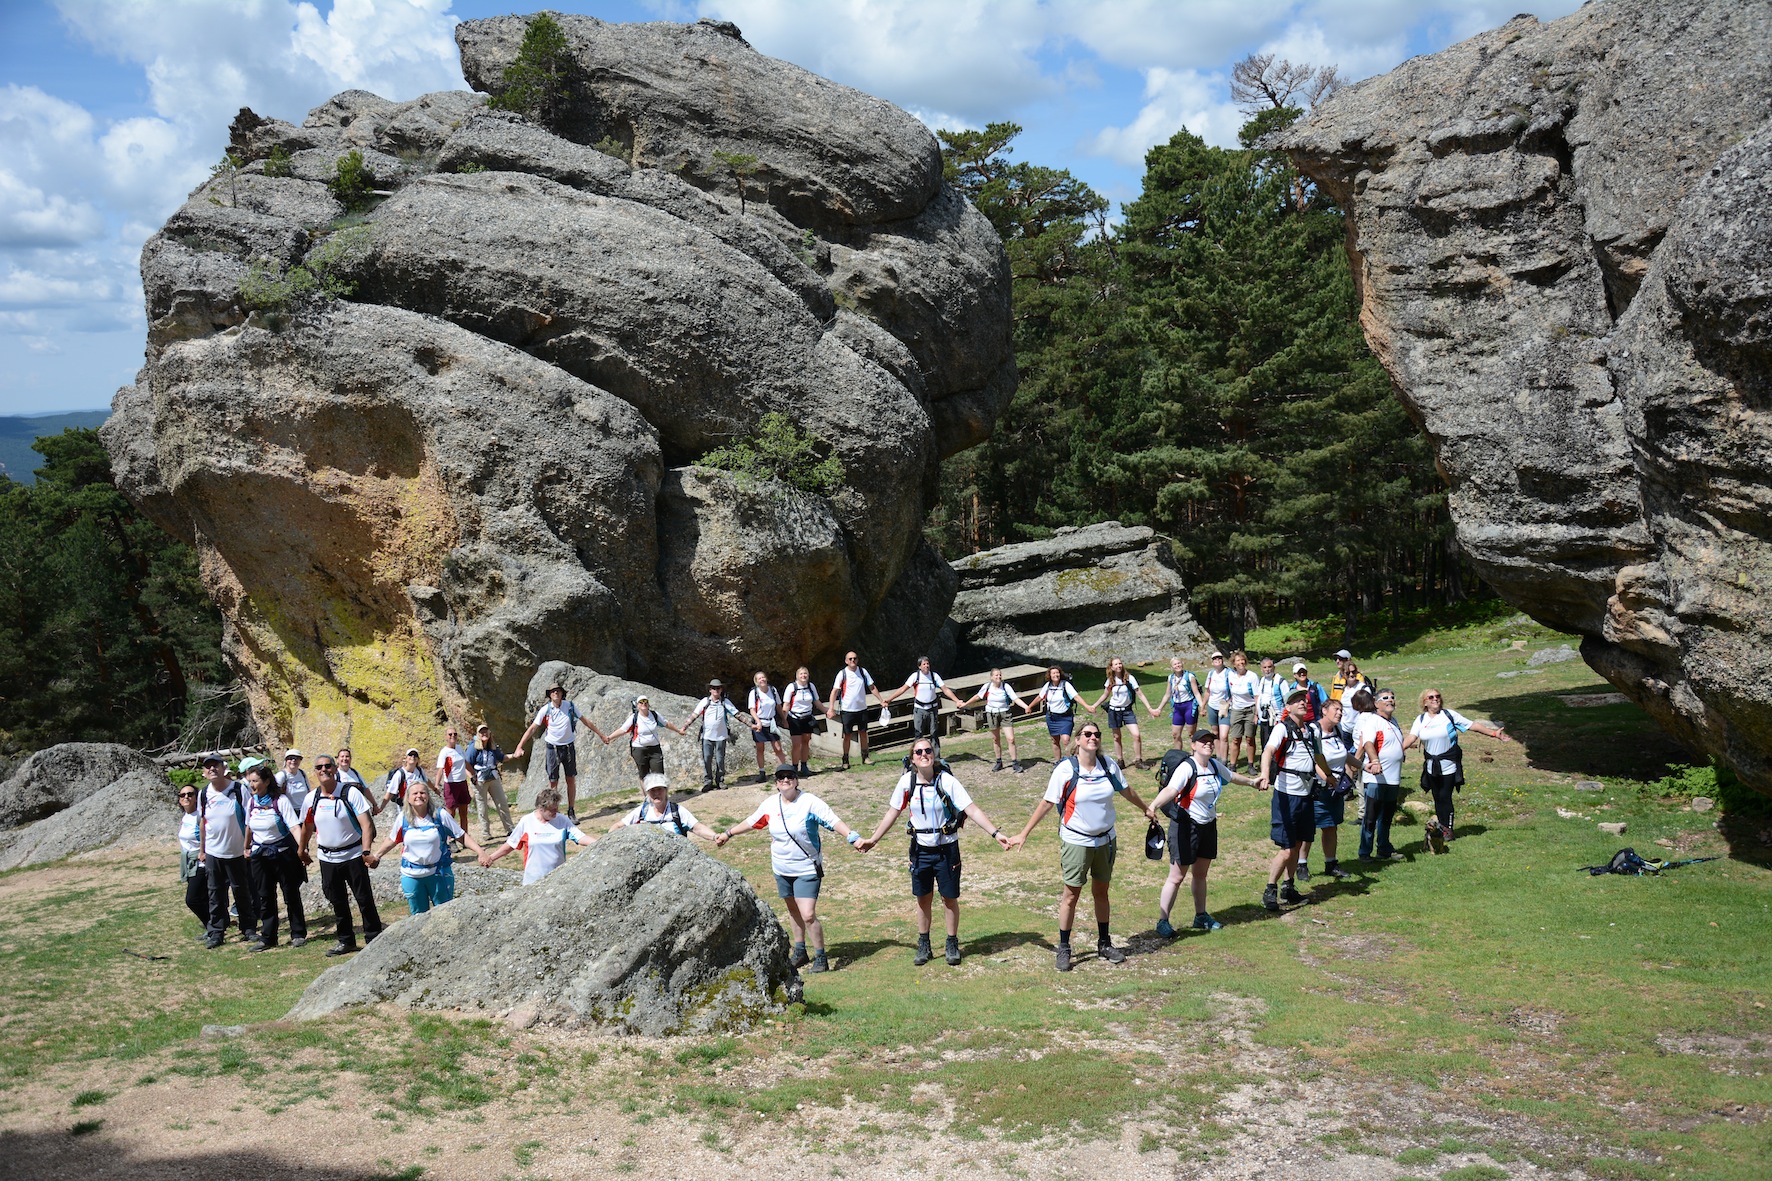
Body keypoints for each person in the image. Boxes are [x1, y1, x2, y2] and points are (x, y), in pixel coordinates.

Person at [1006, 722, 1153, 972]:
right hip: (1077, 840)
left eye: (1096, 734)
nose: (1093, 738)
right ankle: (1064, 948)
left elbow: (1126, 790)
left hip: (1106, 840)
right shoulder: (1065, 769)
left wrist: (1146, 809)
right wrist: (1024, 833)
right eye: (1087, 734)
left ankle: (1104, 943)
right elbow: (1046, 803)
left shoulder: (1108, 766)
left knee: (1101, 892)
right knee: (1071, 895)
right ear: (1077, 740)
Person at [857, 740, 1011, 966]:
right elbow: (892, 813)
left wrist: (996, 834)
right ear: (912, 759)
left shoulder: (947, 781)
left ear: (934, 755)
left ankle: (951, 942)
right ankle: (924, 944)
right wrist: (873, 840)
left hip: (946, 848)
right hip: (920, 849)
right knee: (923, 898)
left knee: (949, 898)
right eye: (918, 752)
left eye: (928, 750)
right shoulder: (906, 782)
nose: (924, 754)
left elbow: (972, 809)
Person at [717, 764, 865, 974]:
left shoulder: (810, 802)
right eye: (780, 778)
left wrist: (853, 838)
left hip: (806, 868)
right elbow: (752, 822)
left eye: (789, 777)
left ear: (796, 780)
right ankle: (800, 951)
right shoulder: (770, 804)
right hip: (781, 868)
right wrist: (728, 833)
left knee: (808, 914)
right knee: (793, 910)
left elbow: (832, 820)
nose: (785, 780)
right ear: (776, 783)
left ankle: (821, 957)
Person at [1146, 729, 1258, 935]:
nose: (1208, 744)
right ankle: (1163, 921)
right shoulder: (1187, 768)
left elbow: (1231, 776)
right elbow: (1171, 790)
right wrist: (1153, 806)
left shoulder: (1214, 765)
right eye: (1203, 741)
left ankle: (1200, 916)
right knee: (1177, 876)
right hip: (1185, 827)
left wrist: (1252, 782)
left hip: (1208, 825)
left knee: (1200, 874)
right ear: (1193, 745)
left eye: (1210, 741)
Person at [1258, 686, 1336, 911]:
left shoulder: (1312, 730)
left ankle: (1288, 887)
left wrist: (1329, 777)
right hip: (1286, 796)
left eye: (1304, 700)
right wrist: (1264, 774)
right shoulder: (1282, 729)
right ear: (1288, 707)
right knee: (1287, 848)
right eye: (1296, 701)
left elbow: (1318, 757)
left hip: (1306, 794)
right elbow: (1268, 752)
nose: (1302, 703)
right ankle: (1270, 889)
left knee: (1300, 843)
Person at [299, 754, 382, 956]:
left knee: (364, 898)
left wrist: (366, 851)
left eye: (328, 766)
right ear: (315, 772)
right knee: (337, 901)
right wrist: (301, 850)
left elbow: (366, 824)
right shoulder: (312, 798)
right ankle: (346, 941)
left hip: (353, 855)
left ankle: (374, 938)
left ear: (335, 769)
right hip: (328, 859)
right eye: (319, 767)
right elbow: (307, 826)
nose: (324, 770)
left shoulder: (350, 793)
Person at [1405, 689, 1510, 848]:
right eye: (1431, 697)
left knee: (1445, 796)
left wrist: (1494, 733)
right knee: (1437, 797)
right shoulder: (1420, 719)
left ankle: (1448, 829)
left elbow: (1472, 725)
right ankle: (1441, 826)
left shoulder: (1449, 715)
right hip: (1431, 766)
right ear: (1424, 702)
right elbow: (1412, 737)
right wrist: (1396, 750)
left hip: (1449, 765)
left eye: (1438, 696)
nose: (1435, 699)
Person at [371, 782, 483, 914]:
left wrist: (480, 852)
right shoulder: (402, 818)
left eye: (423, 793)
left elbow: (461, 836)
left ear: (428, 796)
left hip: (439, 873)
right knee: (417, 917)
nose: (419, 796)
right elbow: (392, 839)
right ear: (408, 798)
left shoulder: (441, 815)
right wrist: (376, 855)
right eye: (415, 793)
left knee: (444, 915)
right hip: (411, 875)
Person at [512, 684, 609, 819]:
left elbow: (585, 721)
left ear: (562, 693)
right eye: (552, 691)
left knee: (570, 779)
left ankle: (571, 811)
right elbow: (532, 728)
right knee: (553, 781)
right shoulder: (546, 710)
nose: (555, 693)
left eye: (558, 691)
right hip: (553, 748)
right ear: (550, 695)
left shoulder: (570, 706)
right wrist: (519, 746)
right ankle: (554, 811)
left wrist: (601, 735)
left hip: (568, 747)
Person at [244, 763, 308, 951]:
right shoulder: (252, 802)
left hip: (282, 855)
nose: (252, 785)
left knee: (290, 894)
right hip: (259, 856)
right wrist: (246, 847)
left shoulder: (280, 801)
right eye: (250, 782)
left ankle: (298, 933)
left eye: (255, 781)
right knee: (265, 896)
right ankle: (268, 937)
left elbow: (294, 827)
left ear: (266, 781)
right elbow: (249, 826)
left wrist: (302, 849)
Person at [197, 754, 257, 949]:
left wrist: (248, 845)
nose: (212, 770)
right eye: (208, 767)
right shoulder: (203, 794)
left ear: (224, 769)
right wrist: (202, 850)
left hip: (237, 852)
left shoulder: (239, 790)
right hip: (214, 852)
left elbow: (250, 818)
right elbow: (203, 823)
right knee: (215, 893)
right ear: (204, 773)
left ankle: (248, 928)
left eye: (215, 766)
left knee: (242, 891)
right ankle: (216, 932)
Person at [1296, 698, 1356, 882]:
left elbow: (1345, 756)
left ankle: (1331, 863)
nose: (1339, 713)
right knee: (1309, 828)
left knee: (1331, 826)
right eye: (1336, 709)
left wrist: (1363, 766)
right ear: (1324, 710)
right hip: (1317, 788)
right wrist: (1329, 779)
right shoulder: (1313, 731)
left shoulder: (1338, 730)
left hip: (1335, 789)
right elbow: (1313, 760)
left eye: (1341, 710)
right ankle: (1301, 864)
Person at [481, 788, 594, 884]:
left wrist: (604, 842)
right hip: (532, 881)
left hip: (557, 879)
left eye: (557, 808)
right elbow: (511, 845)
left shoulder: (562, 820)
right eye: (552, 810)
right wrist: (491, 858)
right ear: (541, 808)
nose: (556, 812)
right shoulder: (526, 821)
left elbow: (581, 838)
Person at [1353, 688, 1406, 861]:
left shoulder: (1394, 721)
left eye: (1392, 697)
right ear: (1376, 703)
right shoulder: (1372, 721)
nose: (1390, 700)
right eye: (1385, 698)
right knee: (1371, 816)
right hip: (1376, 778)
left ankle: (1384, 848)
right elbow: (1368, 743)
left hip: (1393, 777)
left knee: (1387, 816)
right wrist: (1375, 761)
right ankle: (1364, 852)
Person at [883, 656, 966, 757]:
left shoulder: (934, 676)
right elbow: (902, 689)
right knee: (918, 734)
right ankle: (917, 757)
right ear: (919, 666)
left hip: (932, 708)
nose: (926, 666)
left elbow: (945, 689)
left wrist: (957, 700)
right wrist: (889, 700)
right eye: (924, 664)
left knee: (934, 733)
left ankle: (936, 758)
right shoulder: (915, 676)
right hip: (919, 709)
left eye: (928, 664)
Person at [613, 772, 722, 840]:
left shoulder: (677, 811)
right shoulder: (642, 811)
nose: (656, 793)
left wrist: (714, 836)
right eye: (652, 790)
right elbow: (618, 826)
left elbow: (697, 828)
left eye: (659, 789)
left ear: (666, 790)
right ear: (647, 792)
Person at [1090, 656, 1156, 769]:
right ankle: (1120, 761)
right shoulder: (1111, 680)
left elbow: (1139, 693)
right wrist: (1094, 705)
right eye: (1115, 664)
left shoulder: (1129, 678)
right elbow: (1105, 695)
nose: (1118, 666)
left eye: (1120, 663)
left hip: (1127, 711)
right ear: (1112, 667)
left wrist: (1149, 708)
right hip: (1114, 711)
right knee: (1116, 737)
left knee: (1136, 735)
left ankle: (1138, 760)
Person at [606, 694, 687, 784]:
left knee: (659, 774)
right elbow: (623, 730)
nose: (643, 704)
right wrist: (609, 737)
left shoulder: (654, 715)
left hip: (655, 749)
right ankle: (647, 797)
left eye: (646, 702)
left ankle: (659, 796)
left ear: (648, 704)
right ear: (637, 705)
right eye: (641, 702)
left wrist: (678, 730)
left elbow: (666, 723)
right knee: (644, 775)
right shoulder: (634, 718)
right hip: (639, 749)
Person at [960, 668, 1029, 772]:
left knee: (1011, 739)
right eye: (996, 675)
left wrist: (1026, 706)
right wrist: (965, 704)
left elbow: (1015, 698)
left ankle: (1015, 763)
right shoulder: (987, 687)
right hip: (991, 714)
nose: (999, 677)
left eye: (1000, 675)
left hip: (1005, 713)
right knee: (996, 739)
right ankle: (998, 761)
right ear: (991, 677)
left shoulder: (1006, 686)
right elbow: (978, 696)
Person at [690, 679, 750, 791]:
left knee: (720, 760)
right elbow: (694, 715)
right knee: (707, 759)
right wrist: (684, 727)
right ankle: (708, 781)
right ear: (710, 690)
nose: (716, 690)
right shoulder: (705, 701)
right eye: (713, 688)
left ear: (721, 689)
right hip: (707, 736)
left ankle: (720, 781)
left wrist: (751, 725)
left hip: (721, 737)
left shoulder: (725, 702)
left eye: (718, 688)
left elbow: (737, 714)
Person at [825, 652, 880, 768]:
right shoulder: (842, 674)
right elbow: (834, 691)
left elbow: (872, 687)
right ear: (846, 661)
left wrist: (881, 700)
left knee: (863, 733)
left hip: (862, 709)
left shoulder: (863, 672)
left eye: (854, 658)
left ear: (857, 660)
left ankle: (865, 757)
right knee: (847, 735)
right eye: (850, 659)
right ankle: (845, 760)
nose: (852, 660)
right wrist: (831, 708)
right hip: (847, 710)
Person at [468, 724, 515, 842]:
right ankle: (485, 832)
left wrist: (514, 755)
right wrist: (472, 777)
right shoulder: (473, 748)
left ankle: (509, 828)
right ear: (478, 734)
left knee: (502, 802)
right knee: (482, 806)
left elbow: (502, 758)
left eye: (486, 732)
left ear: (489, 733)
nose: (484, 734)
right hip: (480, 779)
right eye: (481, 732)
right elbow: (467, 763)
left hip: (493, 777)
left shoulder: (493, 747)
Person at [1029, 665, 1084, 761]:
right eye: (1053, 673)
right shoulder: (1047, 686)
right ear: (1049, 675)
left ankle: (1071, 762)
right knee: (1055, 740)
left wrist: (1087, 706)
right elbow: (1039, 697)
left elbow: (1076, 696)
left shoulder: (1065, 685)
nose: (1056, 675)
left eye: (1057, 673)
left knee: (1066, 740)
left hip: (1065, 717)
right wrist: (1030, 706)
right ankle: (1058, 762)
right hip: (1052, 717)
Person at [175, 779, 207, 932]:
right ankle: (213, 928)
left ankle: (214, 926)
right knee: (203, 898)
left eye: (190, 794)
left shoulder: (200, 816)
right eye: (182, 795)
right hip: (190, 863)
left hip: (201, 863)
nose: (186, 797)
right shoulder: (185, 817)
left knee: (192, 899)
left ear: (196, 797)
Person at [1152, 657, 1204, 751]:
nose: (1177, 665)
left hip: (1189, 706)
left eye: (1179, 663)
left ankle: (1195, 756)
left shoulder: (1189, 676)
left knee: (1191, 734)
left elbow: (1196, 693)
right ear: (1172, 667)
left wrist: (1202, 707)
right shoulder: (1171, 678)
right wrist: (1159, 708)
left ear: (1182, 663)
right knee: (1175, 734)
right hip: (1177, 708)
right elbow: (1167, 694)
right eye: (1175, 664)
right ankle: (1178, 756)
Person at [1224, 651, 1264, 771]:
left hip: (1251, 709)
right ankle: (1232, 765)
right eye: (1238, 661)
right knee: (1236, 739)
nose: (1241, 662)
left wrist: (1257, 714)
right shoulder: (1230, 675)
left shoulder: (1252, 676)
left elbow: (1257, 697)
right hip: (1236, 710)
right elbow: (1228, 693)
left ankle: (1251, 765)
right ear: (1233, 663)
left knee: (1249, 738)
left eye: (1242, 660)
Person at [435, 726, 474, 845]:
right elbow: (441, 769)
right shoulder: (444, 752)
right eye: (450, 734)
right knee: (450, 813)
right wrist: (436, 784)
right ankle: (451, 839)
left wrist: (473, 774)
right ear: (446, 737)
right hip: (451, 784)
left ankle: (464, 839)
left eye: (455, 734)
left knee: (464, 812)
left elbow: (465, 763)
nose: (453, 736)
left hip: (462, 783)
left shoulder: (459, 748)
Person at [748, 672, 788, 784]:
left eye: (763, 677)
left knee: (778, 748)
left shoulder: (773, 690)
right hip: (759, 722)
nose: (762, 680)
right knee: (760, 749)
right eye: (759, 678)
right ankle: (762, 772)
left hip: (771, 722)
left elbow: (778, 705)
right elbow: (752, 709)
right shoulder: (754, 692)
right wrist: (758, 721)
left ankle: (781, 772)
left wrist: (784, 719)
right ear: (756, 681)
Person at [781, 667, 821, 778]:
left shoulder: (811, 686)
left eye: (805, 674)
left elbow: (816, 702)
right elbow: (786, 704)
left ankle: (804, 766)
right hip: (794, 718)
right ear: (797, 676)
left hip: (807, 717)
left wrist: (827, 711)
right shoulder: (791, 687)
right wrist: (784, 719)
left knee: (806, 742)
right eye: (801, 674)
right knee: (796, 744)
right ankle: (794, 767)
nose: (803, 676)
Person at [334, 748, 375, 841]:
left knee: (369, 831)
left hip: (359, 808)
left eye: (347, 756)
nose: (345, 759)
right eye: (342, 756)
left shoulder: (355, 773)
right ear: (337, 759)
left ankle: (364, 852)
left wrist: (374, 804)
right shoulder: (335, 774)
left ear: (351, 759)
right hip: (343, 810)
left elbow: (365, 789)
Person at [1202, 651, 1232, 760]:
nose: (1217, 660)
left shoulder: (1229, 673)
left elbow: (1234, 690)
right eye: (1215, 659)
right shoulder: (1211, 674)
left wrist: (1229, 702)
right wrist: (1203, 706)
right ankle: (1219, 757)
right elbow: (1207, 691)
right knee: (1215, 733)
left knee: (1224, 736)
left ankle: (1224, 760)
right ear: (1212, 662)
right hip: (1212, 706)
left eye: (1219, 658)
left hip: (1225, 707)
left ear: (1223, 660)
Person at [1255, 657, 1284, 752]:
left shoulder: (1280, 681)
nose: (1267, 670)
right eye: (1265, 667)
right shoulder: (1261, 681)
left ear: (1274, 667)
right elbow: (1258, 697)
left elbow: (1287, 700)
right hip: (1264, 718)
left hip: (1277, 718)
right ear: (1261, 668)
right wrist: (1256, 714)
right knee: (1265, 743)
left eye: (1269, 667)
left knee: (1276, 744)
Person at [275, 749, 311, 818]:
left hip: (304, 811)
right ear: (286, 760)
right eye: (290, 758)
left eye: (297, 758)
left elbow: (308, 791)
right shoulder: (281, 776)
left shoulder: (302, 774)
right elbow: (274, 794)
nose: (293, 760)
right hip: (288, 813)